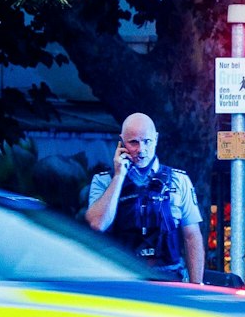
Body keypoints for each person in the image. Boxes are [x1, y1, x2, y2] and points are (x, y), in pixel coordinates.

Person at [84, 113, 205, 282]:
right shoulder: (104, 181)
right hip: (122, 279)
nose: (141, 150)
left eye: (147, 141)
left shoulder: (179, 180)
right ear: (122, 142)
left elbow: (192, 236)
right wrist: (119, 176)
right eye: (133, 142)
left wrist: (196, 286)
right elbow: (97, 224)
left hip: (169, 279)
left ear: (155, 139)